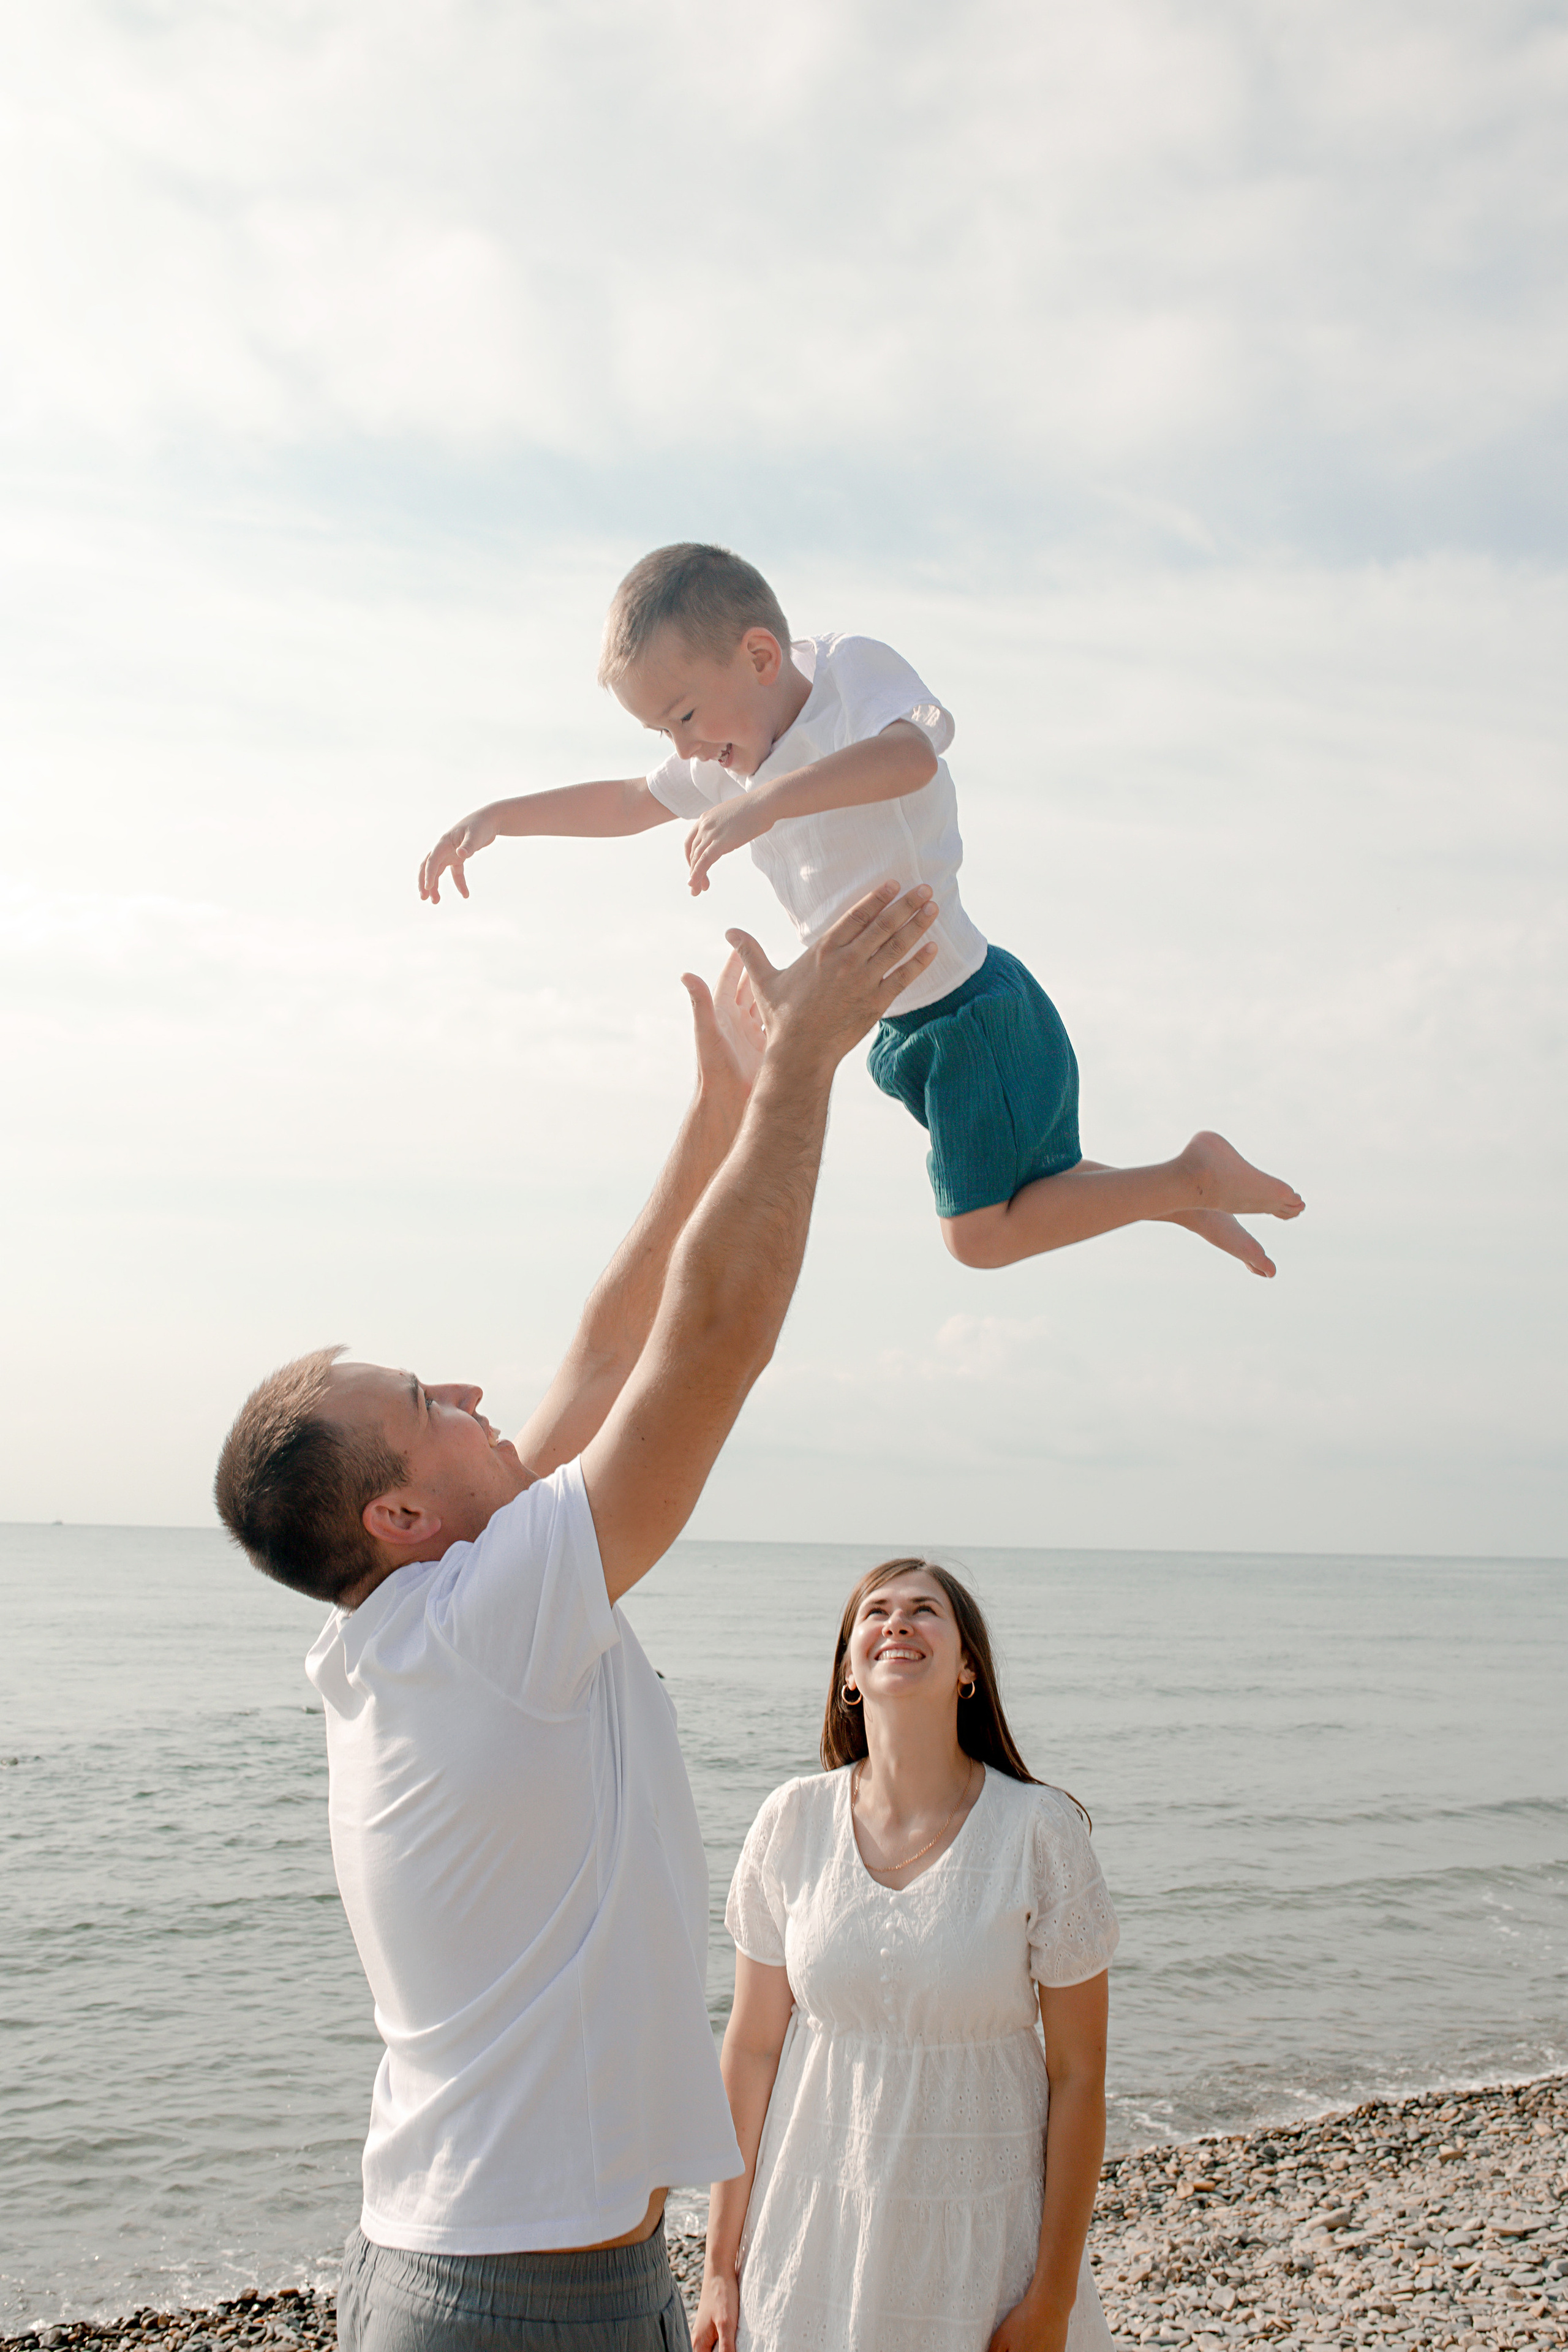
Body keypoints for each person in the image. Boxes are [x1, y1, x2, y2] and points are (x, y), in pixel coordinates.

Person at [212, 883, 940, 2352]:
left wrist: (722, 1109)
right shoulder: (484, 1625)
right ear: (398, 1521)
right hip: (517, 2296)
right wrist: (802, 1074)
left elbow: (609, 1347)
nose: (477, 1395)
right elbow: (708, 1344)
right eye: (429, 1404)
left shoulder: (422, 1624)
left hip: (497, 2267)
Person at [418, 540, 1304, 1278]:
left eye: (686, 715)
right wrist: (502, 818)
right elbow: (624, 803)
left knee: (979, 1238)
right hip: (904, 1033)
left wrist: (770, 800)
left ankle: (1188, 1176)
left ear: (761, 657)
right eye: (664, 735)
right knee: (1029, 1198)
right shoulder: (727, 756)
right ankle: (1183, 1195)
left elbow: (911, 758)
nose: (686, 748)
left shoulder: (848, 678)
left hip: (973, 1016)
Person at [693, 1558, 1120, 2352]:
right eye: (876, 1613)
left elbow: (1079, 2076)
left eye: (926, 1610)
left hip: (982, 2243)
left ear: (966, 1668)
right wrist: (721, 2264)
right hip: (811, 2231)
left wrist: (1053, 2297)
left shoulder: (1039, 1832)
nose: (898, 1622)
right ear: (849, 1670)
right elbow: (751, 2051)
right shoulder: (792, 1821)